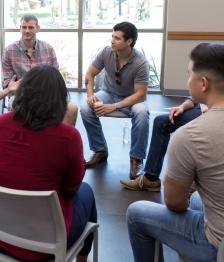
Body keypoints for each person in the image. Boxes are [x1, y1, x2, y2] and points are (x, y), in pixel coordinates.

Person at [0, 65, 97, 262]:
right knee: (87, 192)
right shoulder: (68, 136)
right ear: (60, 100)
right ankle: (82, 259)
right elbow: (71, 189)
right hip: (46, 243)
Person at [126, 43, 224, 262]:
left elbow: (174, 202)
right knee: (198, 198)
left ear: (203, 83)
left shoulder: (190, 136)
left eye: (189, 75)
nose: (188, 80)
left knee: (136, 213)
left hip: (217, 245)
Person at [81, 21, 150, 179]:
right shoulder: (106, 52)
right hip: (108, 92)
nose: (112, 41)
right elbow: (90, 74)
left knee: (142, 113)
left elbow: (140, 95)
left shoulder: (140, 62)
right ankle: (100, 150)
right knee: (85, 108)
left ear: (129, 41)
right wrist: (90, 95)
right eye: (112, 37)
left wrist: (114, 106)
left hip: (132, 98)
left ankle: (136, 159)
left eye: (117, 38)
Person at [2, 14, 78, 126]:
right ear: (20, 28)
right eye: (24, 27)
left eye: (31, 27)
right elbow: (7, 83)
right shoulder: (9, 51)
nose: (27, 31)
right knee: (19, 106)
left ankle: (60, 140)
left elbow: (55, 78)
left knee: (71, 109)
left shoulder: (48, 49)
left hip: (46, 95)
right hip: (20, 96)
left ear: (38, 29)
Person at [120, 97, 202, 191]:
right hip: (202, 108)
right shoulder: (202, 86)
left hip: (216, 112)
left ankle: (195, 181)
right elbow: (195, 99)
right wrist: (182, 107)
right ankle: (151, 178)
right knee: (160, 122)